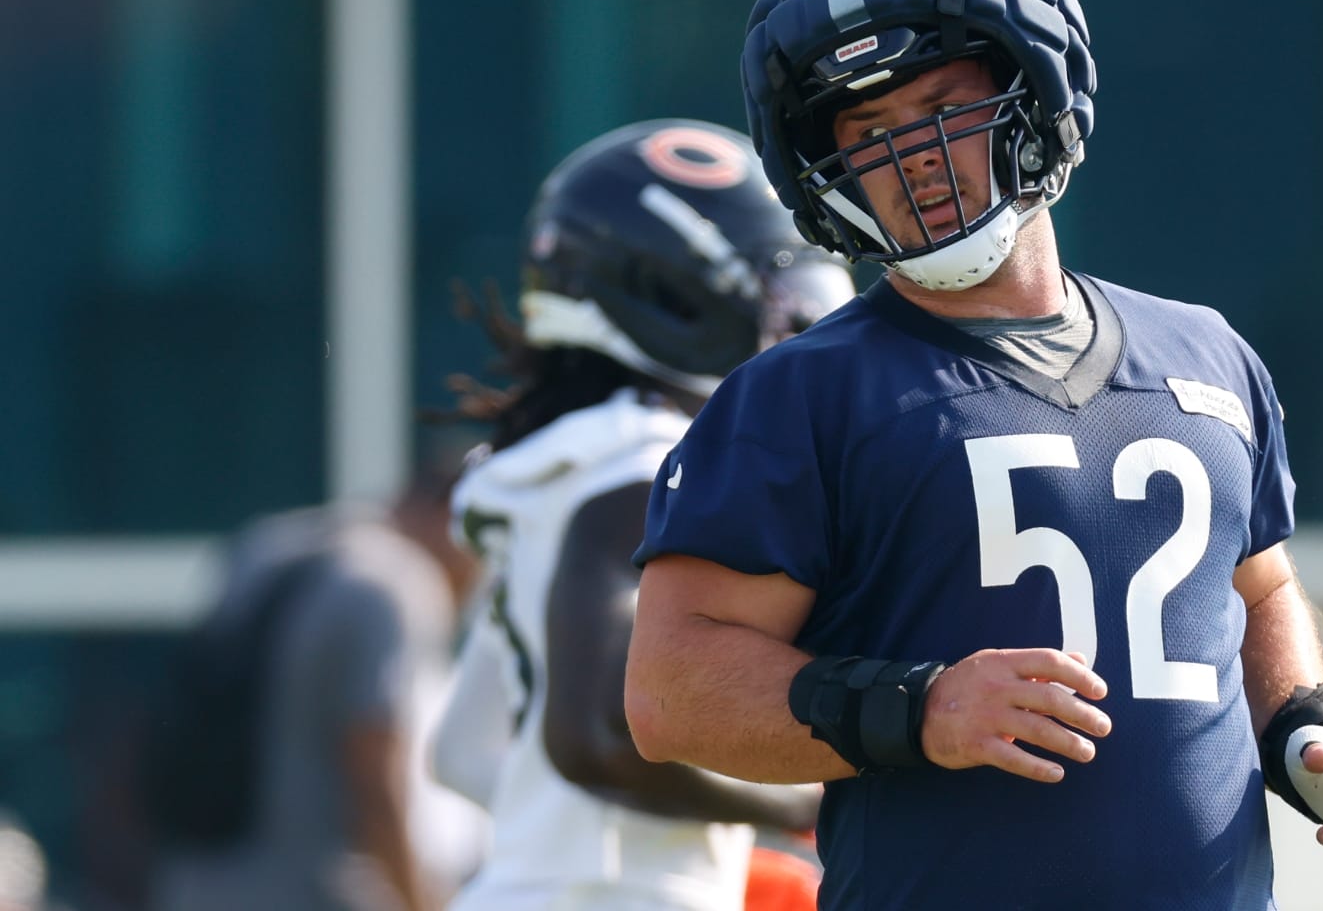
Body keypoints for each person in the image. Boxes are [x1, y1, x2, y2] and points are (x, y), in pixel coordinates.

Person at [623, 0, 1323, 910]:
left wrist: (1312, 732)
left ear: (1032, 90)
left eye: (941, 107)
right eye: (870, 128)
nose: (912, 156)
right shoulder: (800, 394)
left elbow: (1256, 591)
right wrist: (921, 709)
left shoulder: (1207, 353)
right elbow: (671, 691)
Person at [426, 118, 851, 911]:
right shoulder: (647, 462)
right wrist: (814, 798)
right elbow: (603, 736)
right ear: (678, 297)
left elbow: (460, 750)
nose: (801, 336)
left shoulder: (575, 460)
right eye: (788, 302)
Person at [148, 474, 481, 911]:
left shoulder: (264, 547)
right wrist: (423, 903)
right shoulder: (390, 584)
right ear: (452, 518)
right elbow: (375, 775)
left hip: (199, 884)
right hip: (310, 890)